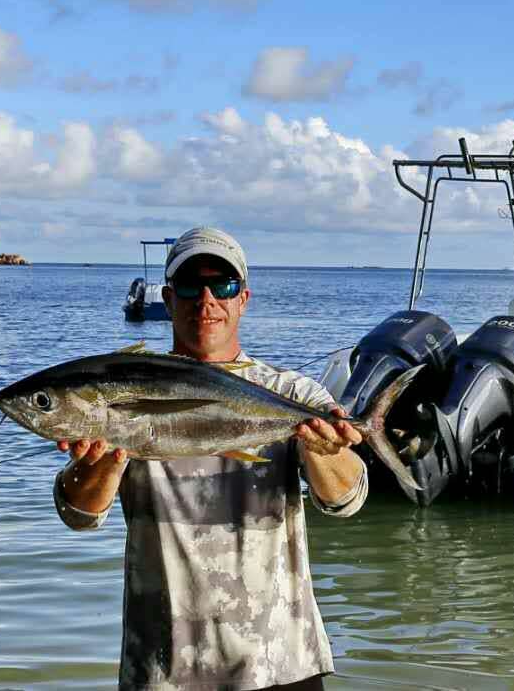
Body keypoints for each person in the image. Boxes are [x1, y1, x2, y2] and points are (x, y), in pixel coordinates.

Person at [52, 227, 368, 691]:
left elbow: (347, 499)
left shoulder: (290, 394)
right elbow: (78, 515)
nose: (206, 300)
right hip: (164, 668)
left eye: (221, 286)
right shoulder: (124, 392)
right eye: (188, 285)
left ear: (243, 298)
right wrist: (107, 454)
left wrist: (327, 453)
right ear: (167, 297)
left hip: (279, 660)